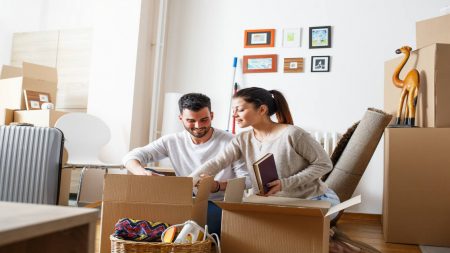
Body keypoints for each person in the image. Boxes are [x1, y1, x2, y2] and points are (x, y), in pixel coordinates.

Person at [189, 87, 340, 214]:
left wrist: (285, 183)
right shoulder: (242, 139)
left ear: (262, 109)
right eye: (233, 110)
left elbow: (324, 164)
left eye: (240, 110)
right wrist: (189, 181)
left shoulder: (293, 134)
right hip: (275, 203)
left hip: (314, 200)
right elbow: (217, 162)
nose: (234, 115)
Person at [122, 93, 251, 235]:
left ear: (212, 116)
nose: (198, 126)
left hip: (218, 203)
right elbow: (130, 157)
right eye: (191, 121)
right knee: (145, 219)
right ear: (181, 118)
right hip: (184, 200)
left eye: (204, 120)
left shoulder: (232, 141)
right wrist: (142, 173)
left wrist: (217, 186)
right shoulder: (171, 141)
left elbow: (247, 180)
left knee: (194, 227)